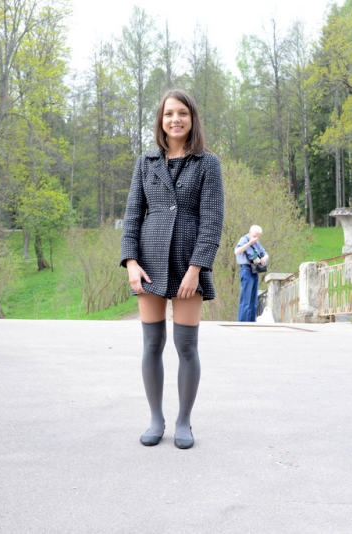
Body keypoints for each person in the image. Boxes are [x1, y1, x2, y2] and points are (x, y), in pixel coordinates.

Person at [120, 89, 224, 450]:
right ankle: (156, 419)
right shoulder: (145, 162)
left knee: (186, 346)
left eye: (182, 113)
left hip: (188, 264)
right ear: (160, 121)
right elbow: (133, 216)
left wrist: (196, 268)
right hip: (148, 264)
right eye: (168, 114)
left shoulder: (207, 163)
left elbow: (212, 220)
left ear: (192, 118)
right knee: (152, 343)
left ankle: (183, 421)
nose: (175, 119)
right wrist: (131, 262)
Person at [234, 225, 269, 322]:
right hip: (246, 269)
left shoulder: (257, 243)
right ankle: (242, 322)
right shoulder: (244, 239)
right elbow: (236, 251)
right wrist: (250, 243)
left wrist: (264, 258)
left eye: (258, 236)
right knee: (246, 299)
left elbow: (265, 253)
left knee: (253, 300)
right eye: (255, 236)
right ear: (249, 232)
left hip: (255, 269)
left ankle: (251, 322)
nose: (256, 238)